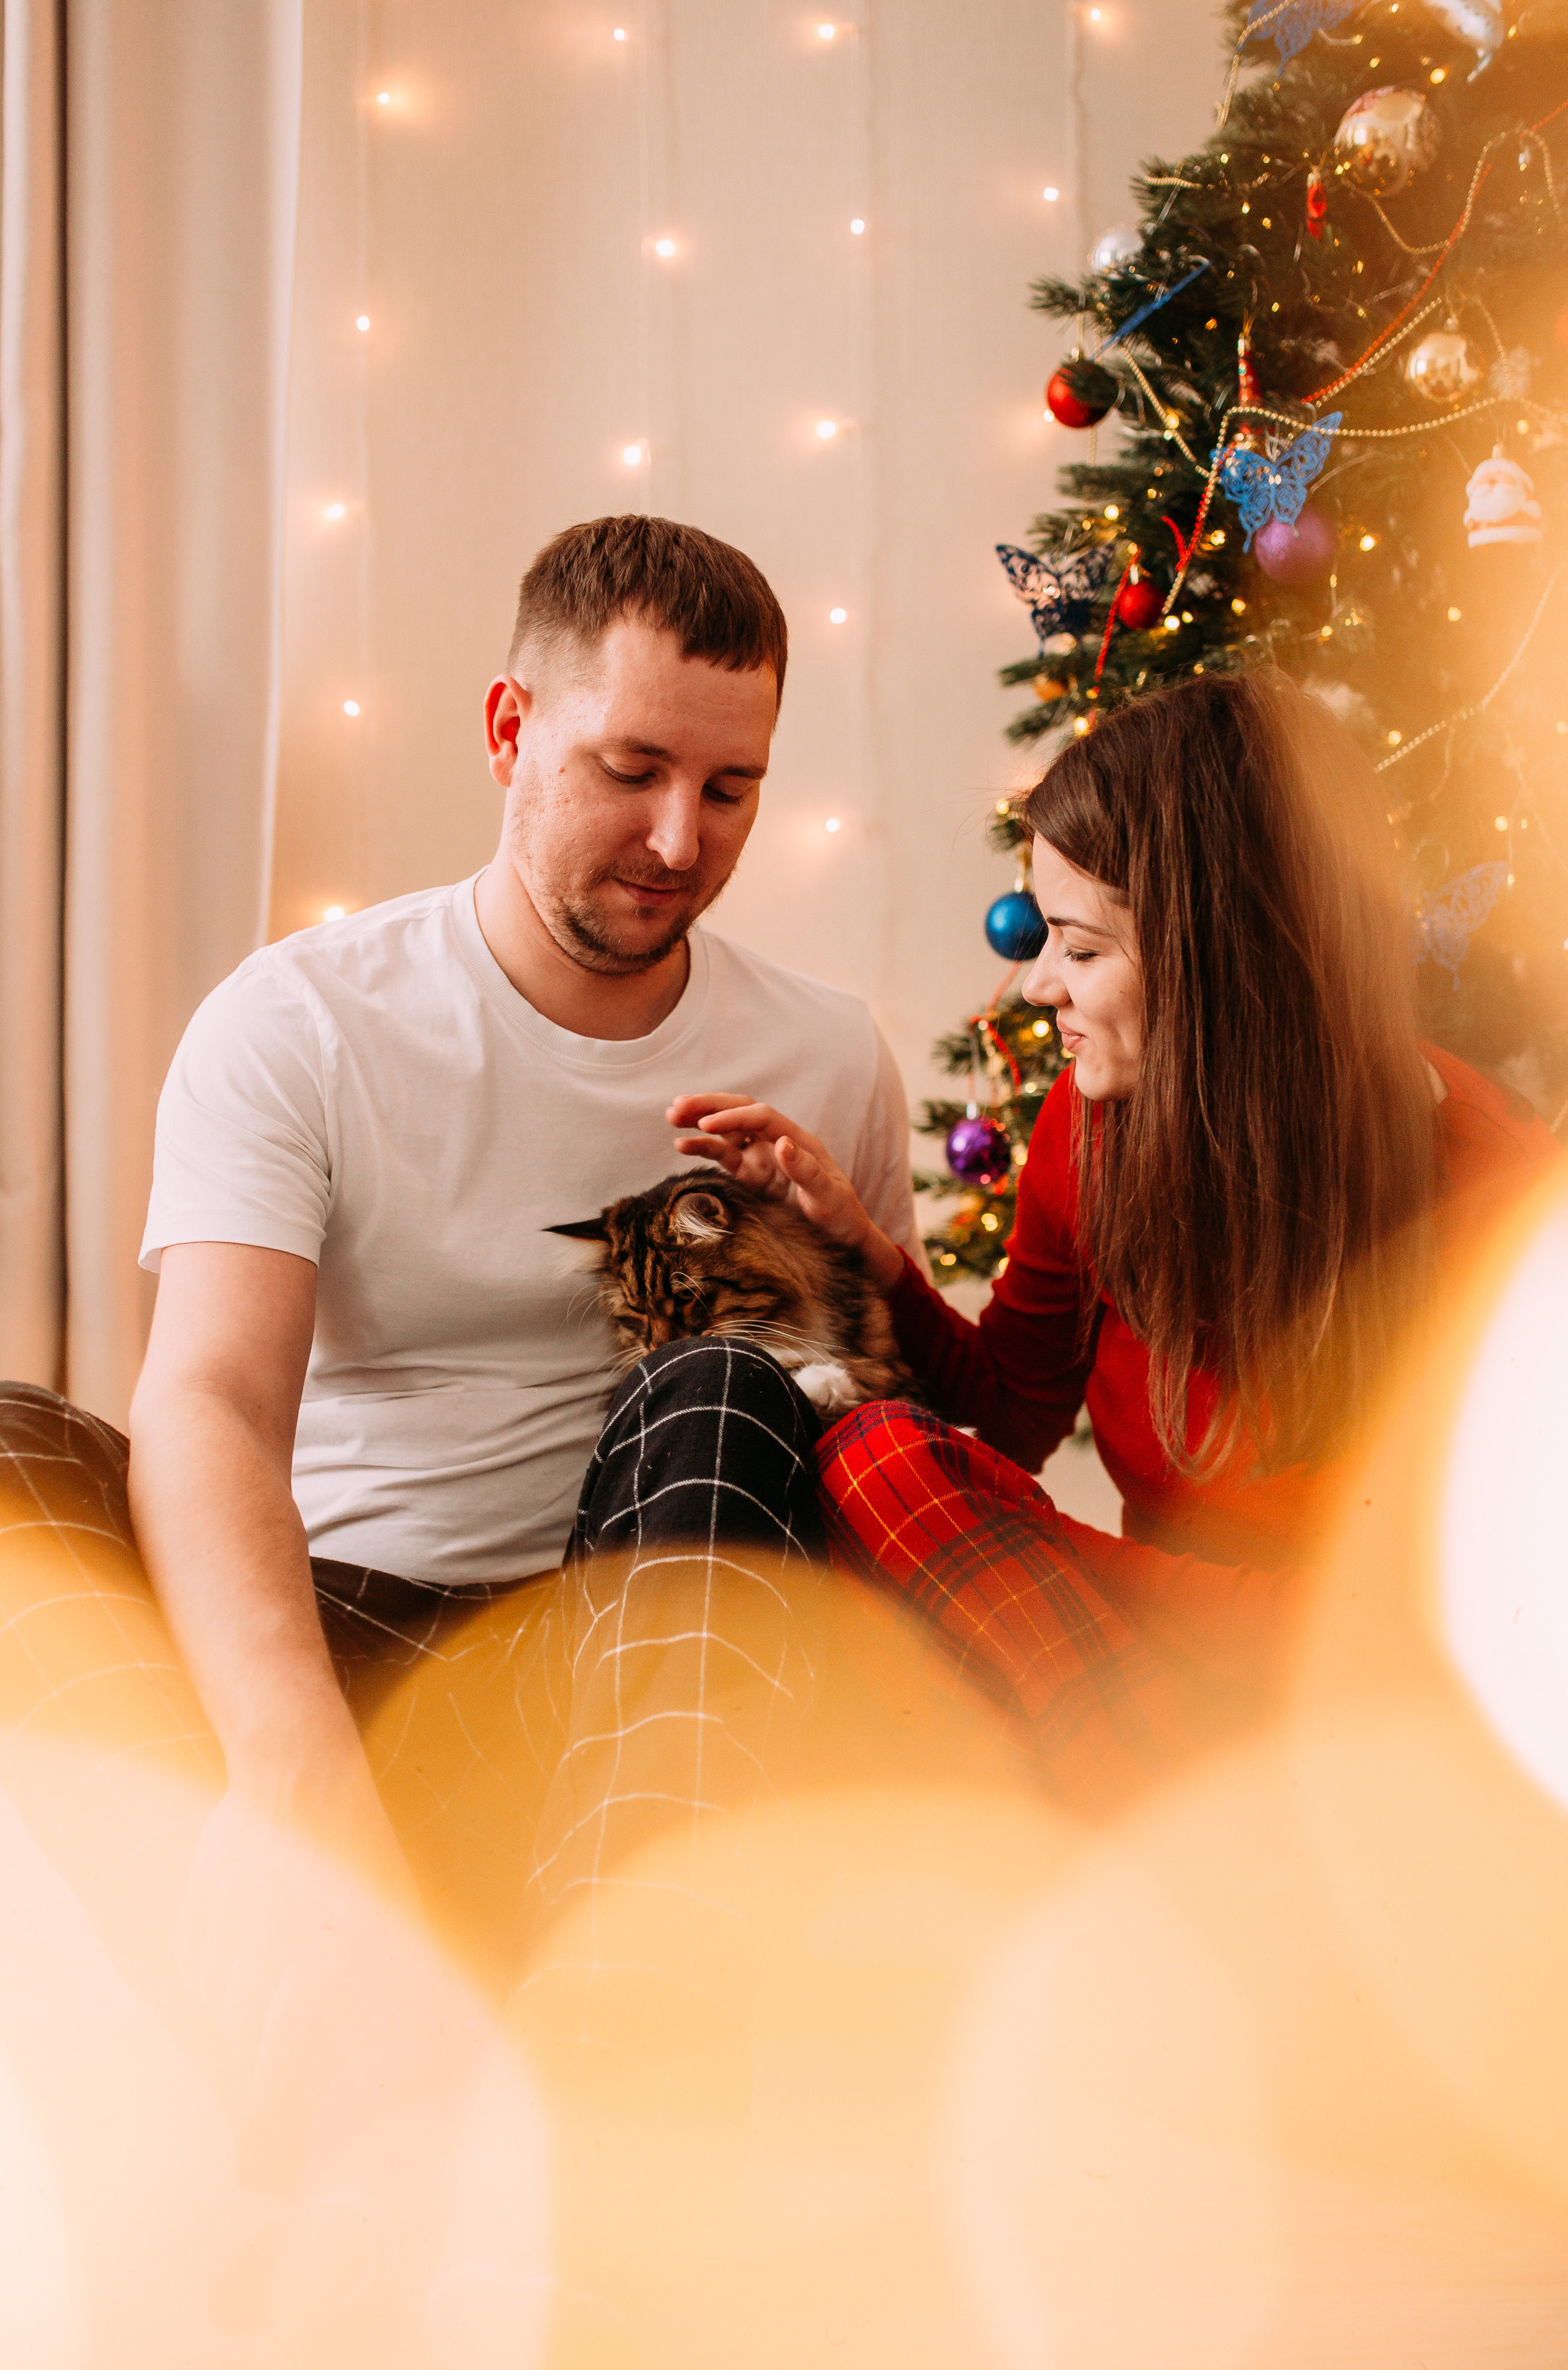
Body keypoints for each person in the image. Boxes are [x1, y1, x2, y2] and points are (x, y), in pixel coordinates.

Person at [0, 513, 918, 2072]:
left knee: (721, 1385)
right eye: (630, 769)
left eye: (728, 789)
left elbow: (882, 1446)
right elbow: (212, 1399)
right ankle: (299, 2009)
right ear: (509, 731)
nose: (678, 840)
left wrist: (843, 1262)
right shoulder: (301, 1021)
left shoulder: (824, 1055)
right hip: (335, 1634)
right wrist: (288, 1761)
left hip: (617, 1675)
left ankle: (610, 2040)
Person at [671, 671, 1559, 1789]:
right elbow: (1013, 1406)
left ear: (1219, 958)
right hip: (1149, 1658)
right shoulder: (1091, 1129)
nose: (1038, 984)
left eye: (1081, 948)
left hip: (1370, 1690)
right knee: (874, 1458)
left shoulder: (1495, 1192)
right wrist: (860, 1247)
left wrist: (1085, 1572)